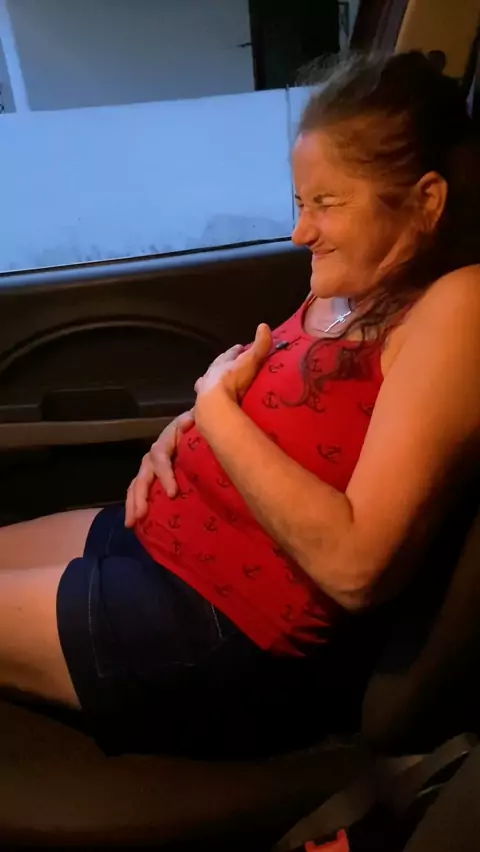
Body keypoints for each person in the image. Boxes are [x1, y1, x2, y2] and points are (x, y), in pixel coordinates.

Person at [1, 51, 480, 758]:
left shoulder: (458, 306)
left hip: (223, 620)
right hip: (165, 542)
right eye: (300, 204)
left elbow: (357, 568)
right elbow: (278, 409)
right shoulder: (349, 287)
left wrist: (215, 414)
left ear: (426, 202)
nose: (299, 232)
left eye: (327, 204)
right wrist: (184, 428)